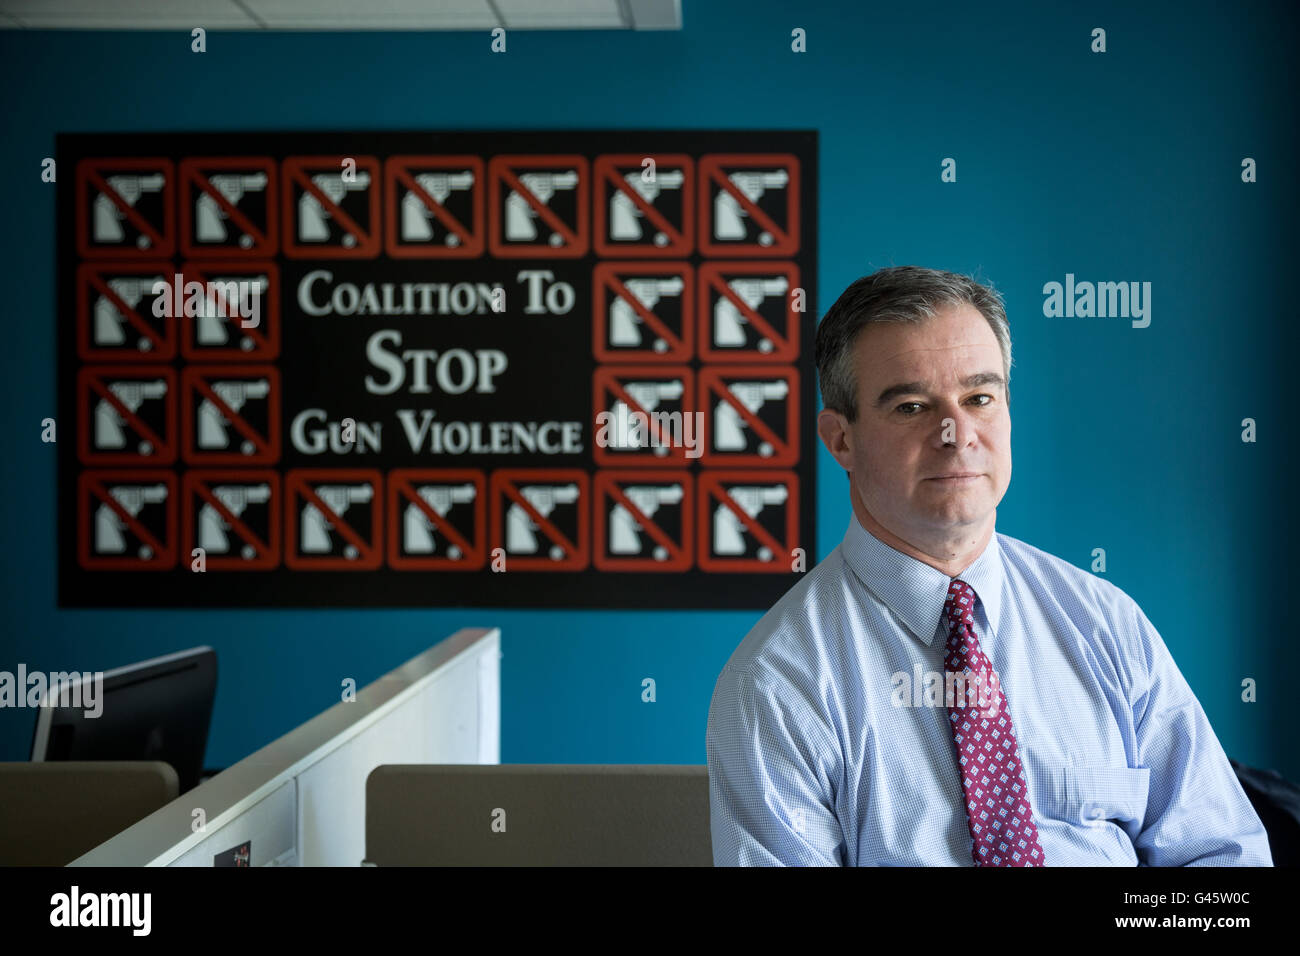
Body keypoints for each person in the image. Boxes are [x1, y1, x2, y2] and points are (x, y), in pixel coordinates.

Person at [706, 265, 1273, 866]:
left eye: (979, 397)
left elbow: (1220, 859)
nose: (956, 433)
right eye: (912, 407)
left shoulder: (1107, 625)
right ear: (841, 439)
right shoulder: (778, 683)